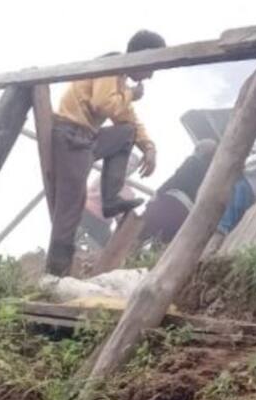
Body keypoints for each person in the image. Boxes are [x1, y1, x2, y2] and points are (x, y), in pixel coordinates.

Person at [46, 30, 166, 277]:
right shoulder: (110, 65)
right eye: (152, 66)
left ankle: (110, 199)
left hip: (86, 138)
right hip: (71, 135)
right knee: (70, 206)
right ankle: (55, 273)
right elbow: (103, 104)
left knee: (127, 132)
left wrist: (149, 146)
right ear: (143, 57)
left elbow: (126, 117)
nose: (151, 76)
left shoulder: (120, 81)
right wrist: (132, 94)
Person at [139, 139, 218, 246]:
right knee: (161, 243)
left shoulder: (193, 161)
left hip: (171, 202)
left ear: (200, 150)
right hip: (186, 213)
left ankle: (130, 250)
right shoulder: (211, 175)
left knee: (143, 230)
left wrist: (158, 193)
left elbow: (176, 179)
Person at [205, 152, 256, 257]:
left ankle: (208, 252)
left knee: (223, 222)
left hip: (247, 182)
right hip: (252, 187)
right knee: (226, 222)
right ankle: (210, 251)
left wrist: (243, 164)